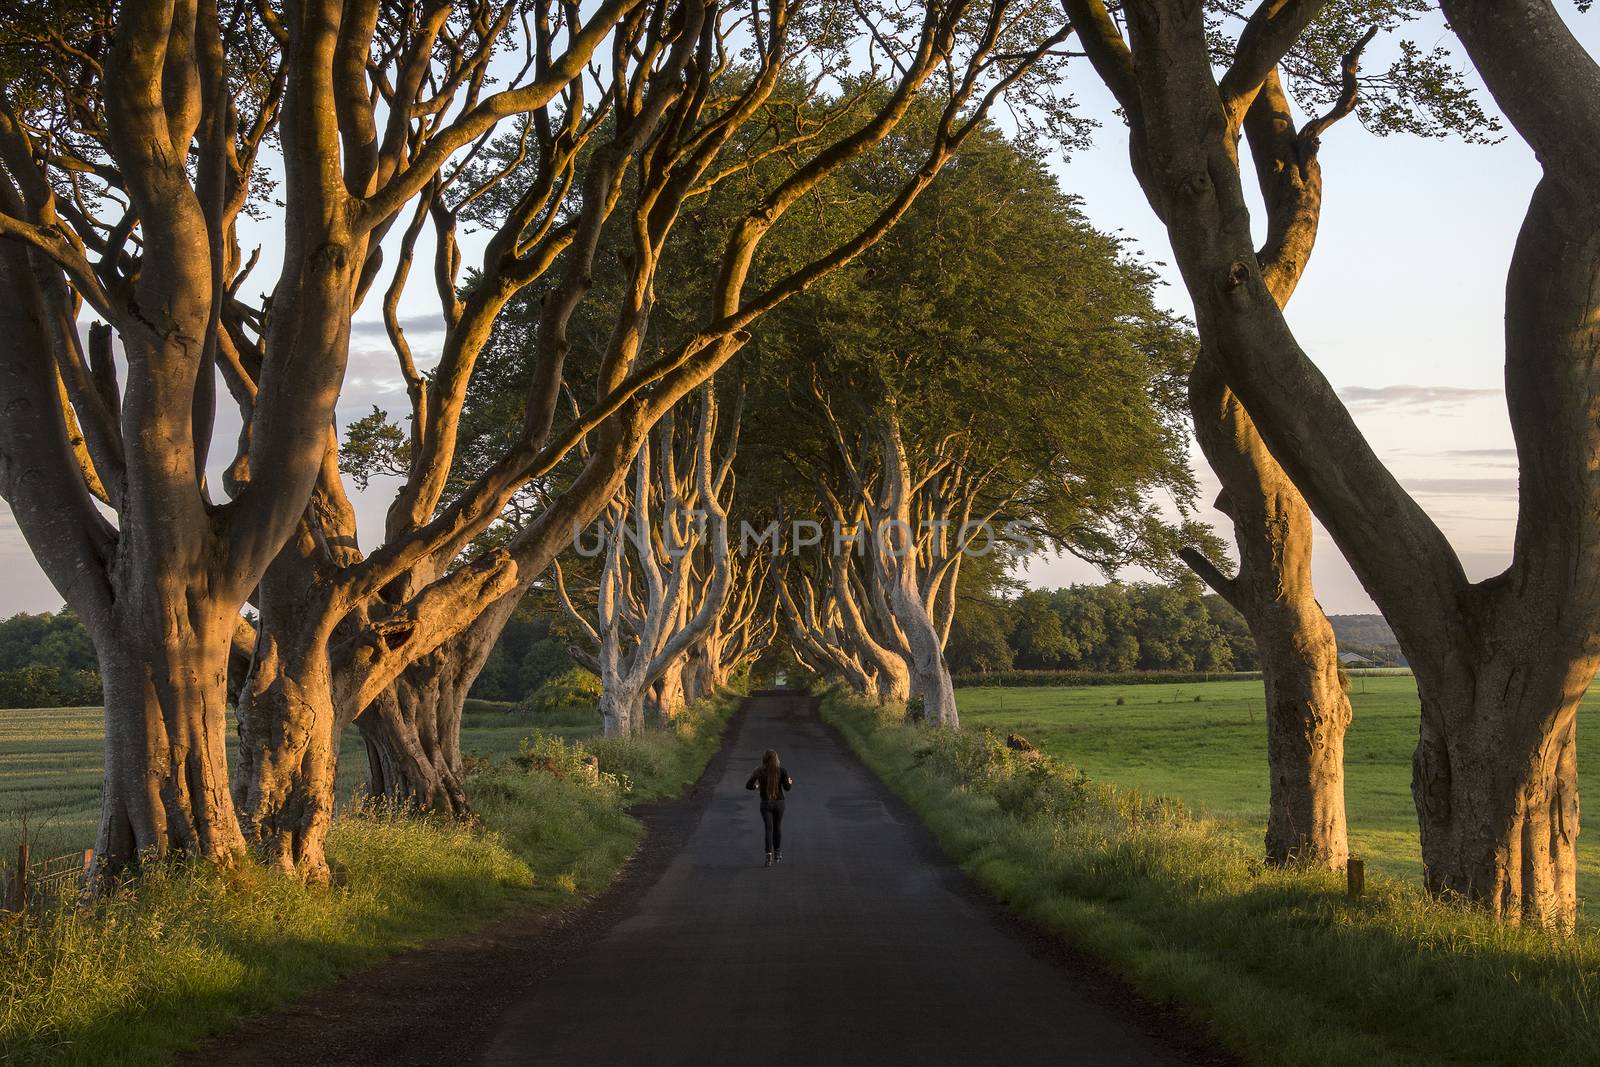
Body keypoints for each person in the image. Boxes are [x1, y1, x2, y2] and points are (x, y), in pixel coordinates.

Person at [745, 749, 793, 867]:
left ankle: (768, 858)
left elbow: (748, 785)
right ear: (776, 759)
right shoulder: (782, 771)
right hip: (779, 803)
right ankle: (777, 853)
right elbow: (787, 788)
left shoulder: (758, 771)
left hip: (765, 803)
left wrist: (756, 786)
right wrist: (790, 782)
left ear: (764, 759)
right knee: (777, 828)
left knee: (768, 830)